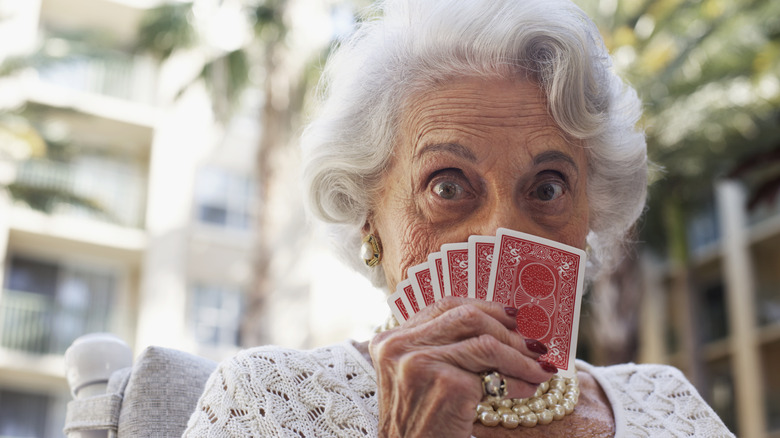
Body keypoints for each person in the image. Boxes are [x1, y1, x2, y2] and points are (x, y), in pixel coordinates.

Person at [183, 0, 734, 436]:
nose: (503, 233)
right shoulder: (272, 400)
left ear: (589, 216)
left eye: (547, 187)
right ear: (368, 219)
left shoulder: (668, 405)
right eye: (447, 186)